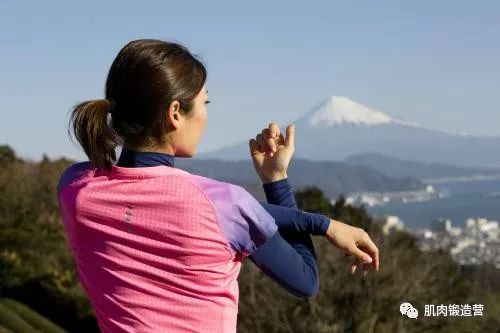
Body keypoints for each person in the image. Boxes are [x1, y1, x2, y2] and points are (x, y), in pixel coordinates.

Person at [57, 39, 379, 333]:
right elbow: (305, 282)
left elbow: (167, 200)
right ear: (174, 114)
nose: (206, 116)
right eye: (204, 104)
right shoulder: (224, 204)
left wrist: (323, 224)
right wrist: (278, 182)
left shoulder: (75, 188)